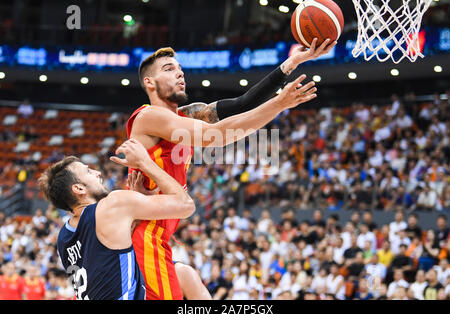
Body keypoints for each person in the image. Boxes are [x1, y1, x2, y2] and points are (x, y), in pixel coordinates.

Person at [127, 39, 334, 300]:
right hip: (145, 236)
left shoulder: (185, 116)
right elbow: (218, 135)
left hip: (157, 235)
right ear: (150, 82)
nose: (179, 72)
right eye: (169, 69)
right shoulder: (149, 116)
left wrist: (292, 63)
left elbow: (242, 103)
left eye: (180, 68)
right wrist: (280, 103)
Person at [38, 139, 196, 300]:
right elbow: (186, 205)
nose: (97, 172)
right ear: (79, 188)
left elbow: (111, 256)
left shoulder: (64, 237)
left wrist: (135, 205)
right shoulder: (112, 205)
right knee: (186, 276)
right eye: (88, 172)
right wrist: (145, 162)